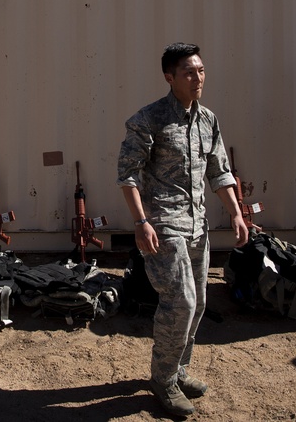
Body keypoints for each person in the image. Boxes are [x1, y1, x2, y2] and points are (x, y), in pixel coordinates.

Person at [117, 42, 249, 418]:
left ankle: (178, 370)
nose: (198, 78)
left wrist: (236, 214)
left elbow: (219, 171)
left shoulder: (207, 119)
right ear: (169, 77)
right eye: (190, 72)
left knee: (200, 303)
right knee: (181, 303)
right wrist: (141, 222)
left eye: (201, 71)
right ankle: (162, 379)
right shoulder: (149, 119)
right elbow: (127, 174)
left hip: (198, 226)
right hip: (163, 225)